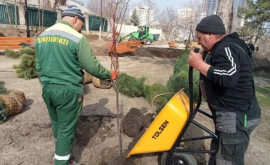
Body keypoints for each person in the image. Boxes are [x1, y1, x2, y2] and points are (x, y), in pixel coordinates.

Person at [35, 5, 118, 165]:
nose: (82, 29)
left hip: (47, 89)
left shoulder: (42, 36)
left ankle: (60, 151)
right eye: (82, 24)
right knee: (66, 130)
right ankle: (62, 162)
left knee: (57, 124)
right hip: (67, 91)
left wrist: (46, 82)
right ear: (75, 19)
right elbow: (91, 66)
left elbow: (39, 66)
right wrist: (109, 74)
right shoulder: (76, 38)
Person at [188, 15, 261, 165]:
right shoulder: (221, 48)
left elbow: (229, 76)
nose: (199, 42)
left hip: (236, 115)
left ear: (210, 34)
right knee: (220, 152)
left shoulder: (226, 47)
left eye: (200, 38)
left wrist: (199, 65)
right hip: (229, 114)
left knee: (228, 159)